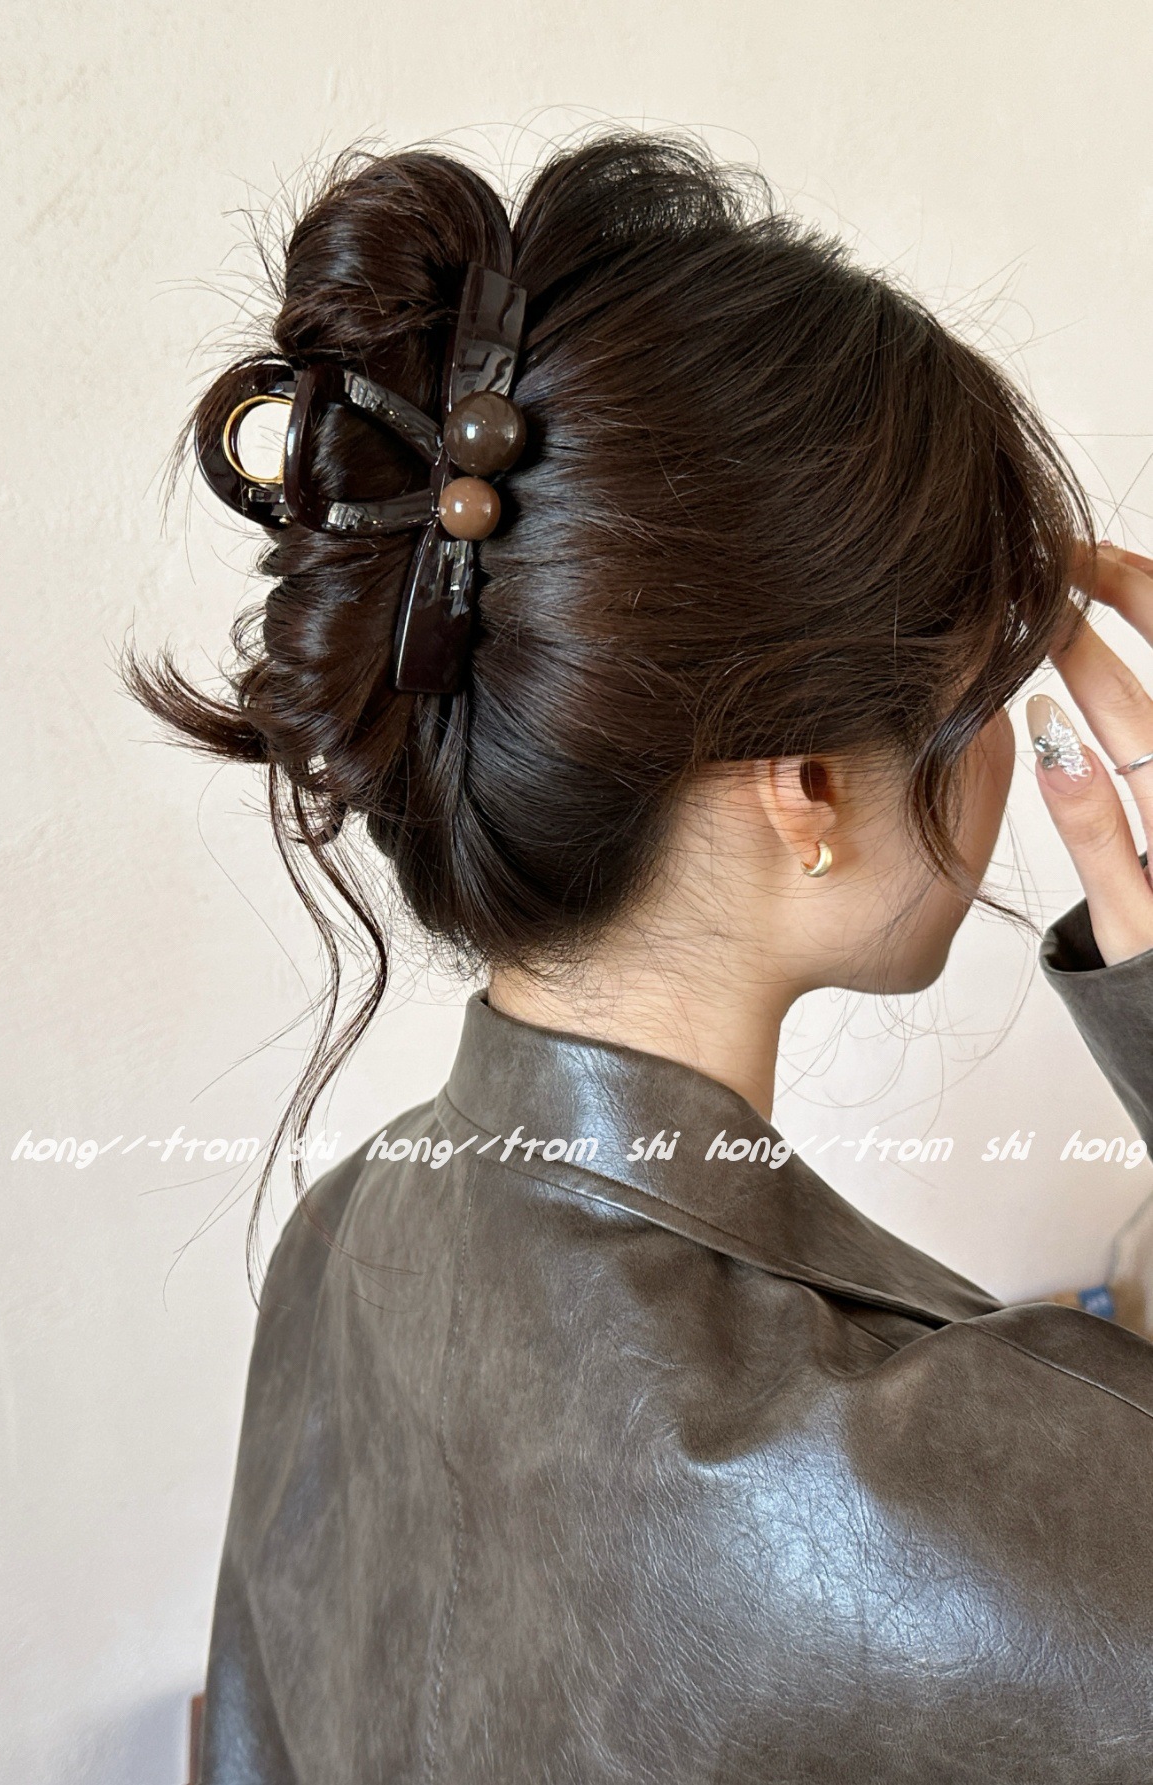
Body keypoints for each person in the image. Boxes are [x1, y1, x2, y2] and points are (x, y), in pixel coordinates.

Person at [125, 134, 1153, 1783]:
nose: (1005, 765)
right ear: (808, 787)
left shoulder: (349, 1234)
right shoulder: (931, 1490)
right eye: (988, 693)